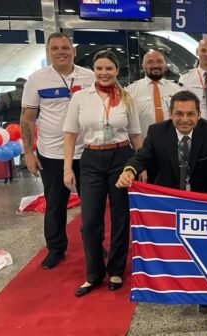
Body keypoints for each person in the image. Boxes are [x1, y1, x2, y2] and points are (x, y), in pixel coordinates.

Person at [63, 50, 143, 297]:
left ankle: (116, 269)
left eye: (109, 68)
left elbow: (135, 135)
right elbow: (70, 134)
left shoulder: (127, 98)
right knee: (89, 222)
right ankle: (93, 273)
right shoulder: (80, 98)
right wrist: (67, 169)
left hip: (121, 157)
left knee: (120, 217)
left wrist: (141, 166)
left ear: (117, 71)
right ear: (93, 71)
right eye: (99, 68)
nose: (104, 73)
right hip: (91, 159)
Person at [20, 32, 94, 269]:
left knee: (92, 204)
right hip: (51, 153)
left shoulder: (90, 76)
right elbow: (27, 118)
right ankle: (55, 248)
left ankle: (93, 245)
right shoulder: (37, 80)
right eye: (55, 48)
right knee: (55, 203)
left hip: (86, 151)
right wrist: (28, 153)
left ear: (73, 51)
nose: (61, 52)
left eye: (65, 48)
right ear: (48, 52)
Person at [115, 90, 207, 193]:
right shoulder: (156, 132)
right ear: (170, 114)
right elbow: (141, 158)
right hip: (166, 195)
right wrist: (129, 171)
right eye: (179, 114)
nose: (185, 120)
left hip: (201, 196)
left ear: (199, 114)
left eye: (190, 114)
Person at [126, 50, 181, 182]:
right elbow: (128, 125)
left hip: (173, 150)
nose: (155, 65)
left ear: (165, 65)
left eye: (159, 62)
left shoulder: (177, 90)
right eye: (150, 62)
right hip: (144, 151)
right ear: (143, 66)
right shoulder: (130, 91)